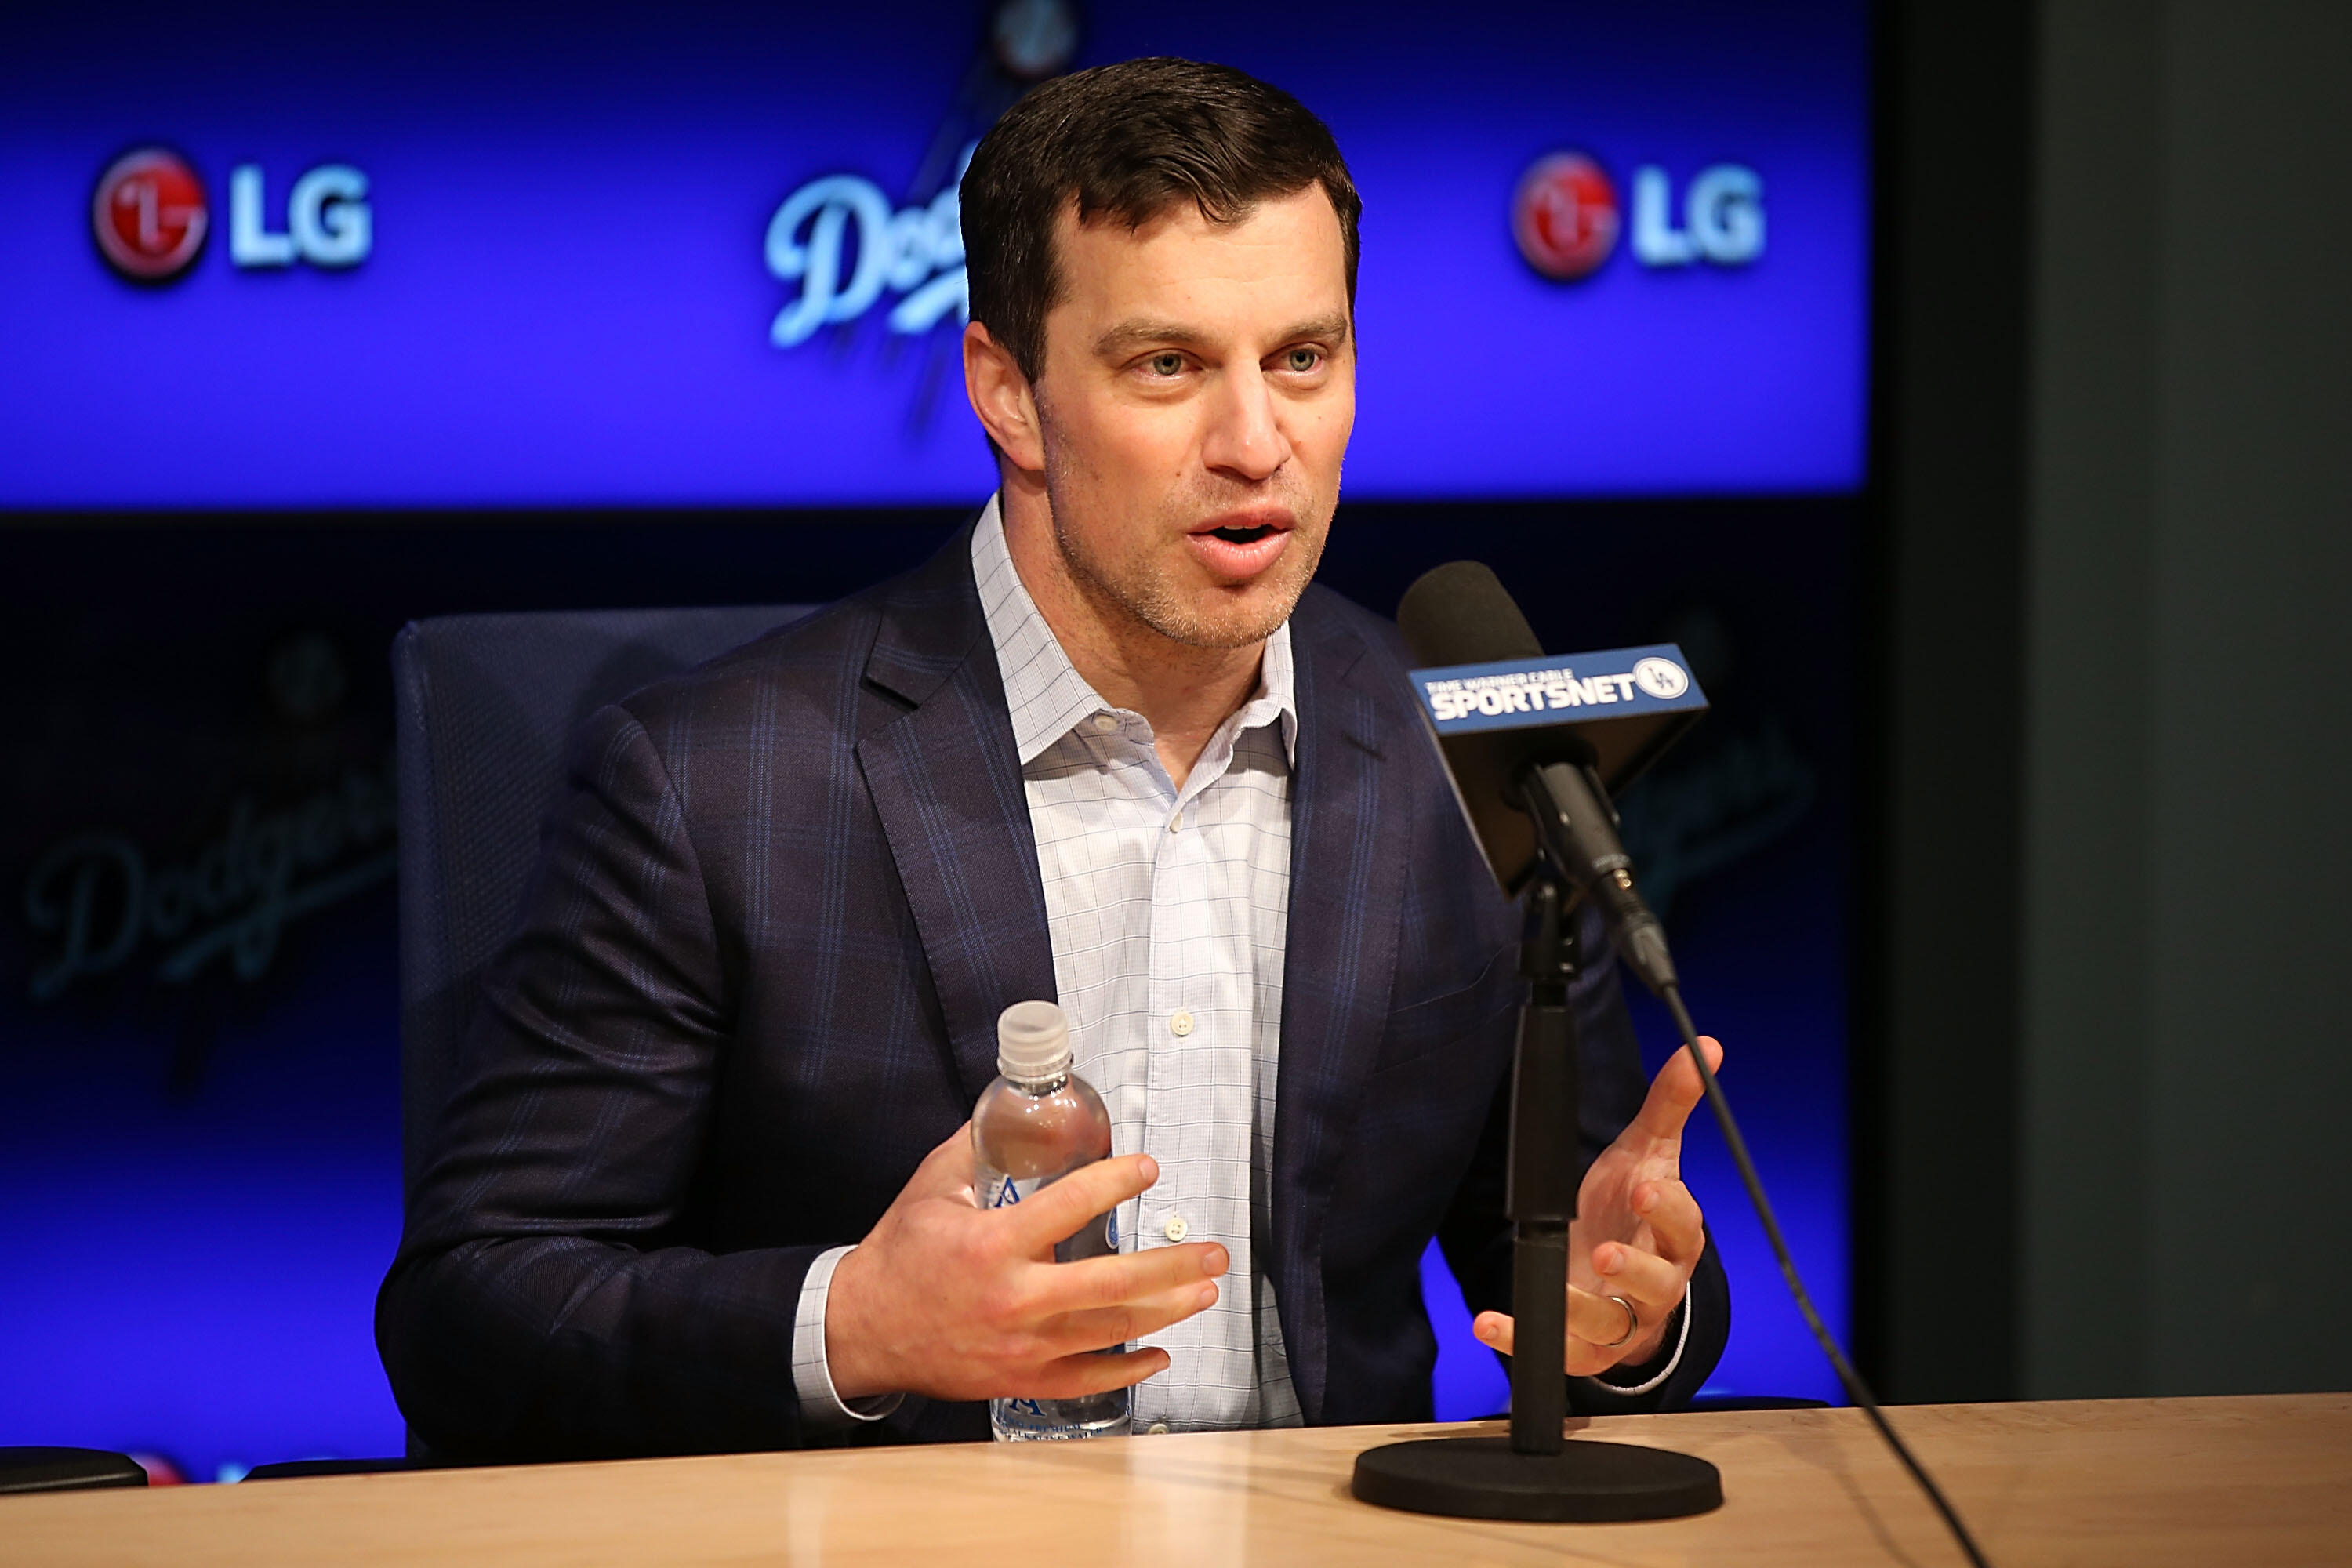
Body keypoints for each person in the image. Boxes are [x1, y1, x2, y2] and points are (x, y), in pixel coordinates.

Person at [378, 56, 1729, 1461]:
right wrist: (856, 1326)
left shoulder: (1459, 742)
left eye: (1302, 360)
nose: (1257, 443)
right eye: (1168, 366)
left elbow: (1580, 1256)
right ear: (1007, 395)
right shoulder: (716, 783)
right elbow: (470, 1315)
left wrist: (1630, 1322)